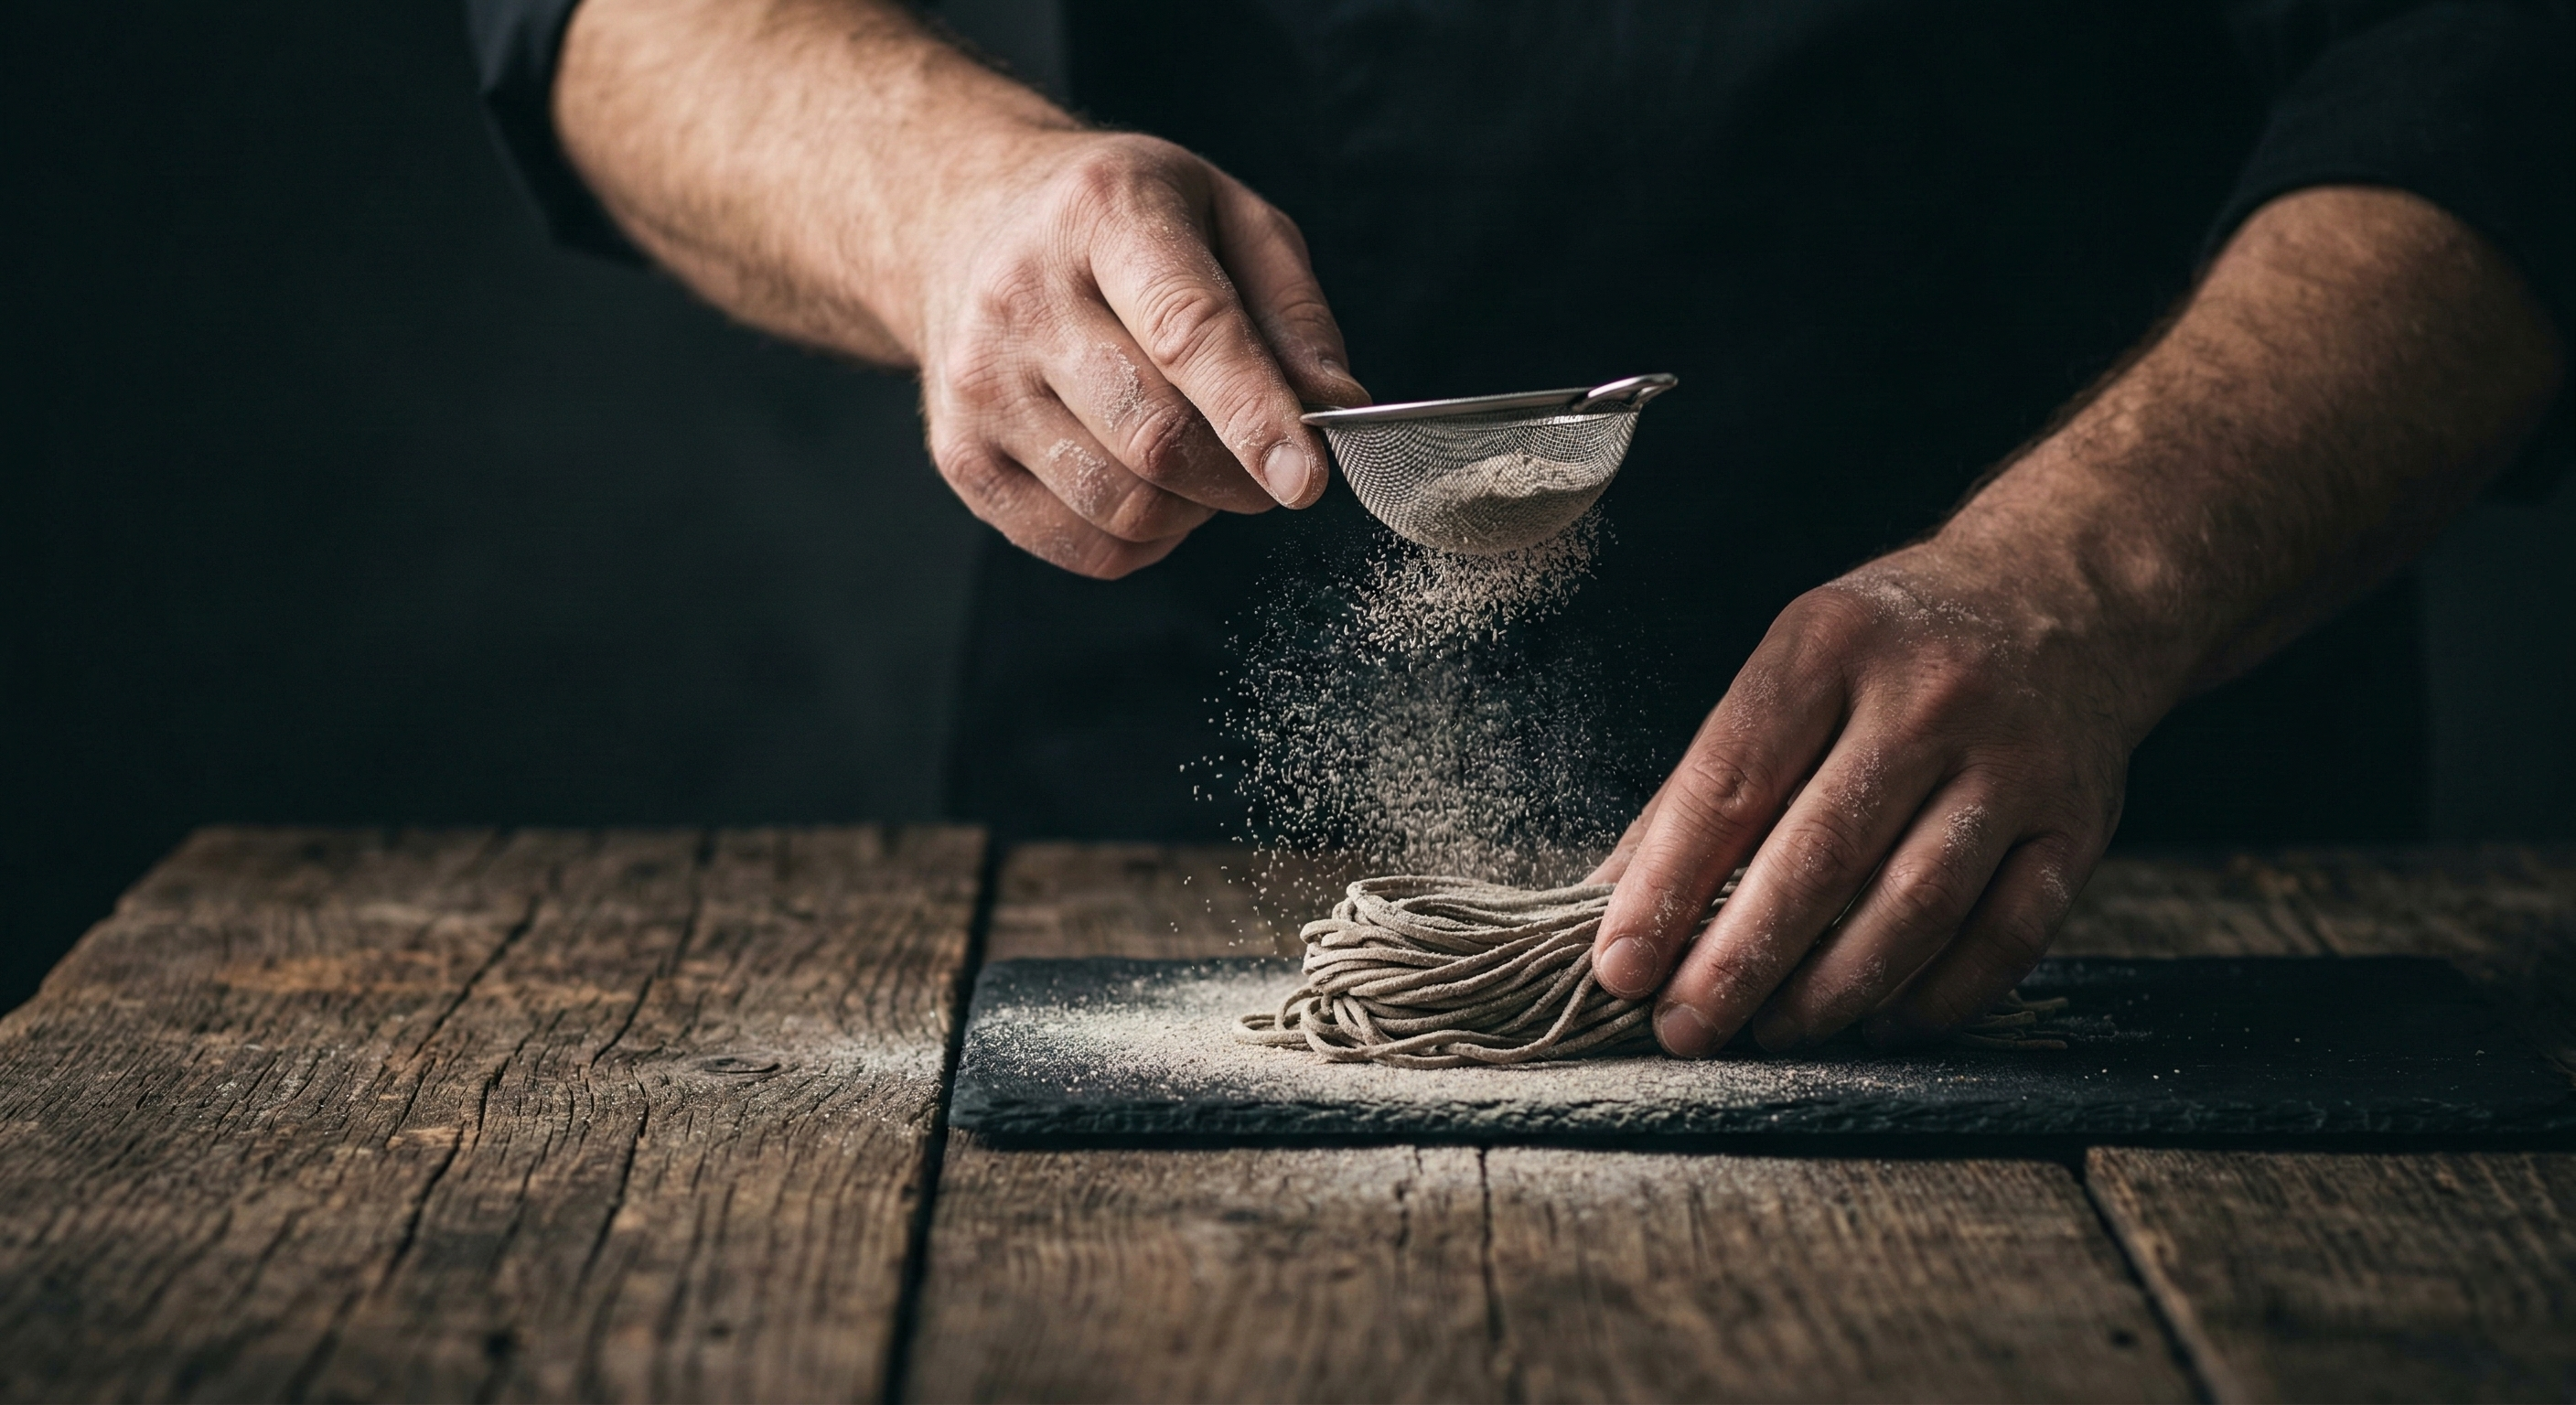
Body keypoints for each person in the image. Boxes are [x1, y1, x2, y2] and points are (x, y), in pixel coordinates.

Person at [468, 0, 2571, 1056]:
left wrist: (2098, 577)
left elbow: (2496, 54)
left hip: (2121, 856)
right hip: (1174, 862)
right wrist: (946, 203)